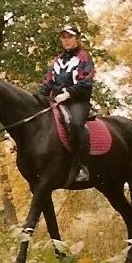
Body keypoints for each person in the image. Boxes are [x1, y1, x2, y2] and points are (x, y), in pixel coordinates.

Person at [38, 24, 95, 183]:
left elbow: (87, 83)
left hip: (77, 101)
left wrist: (68, 94)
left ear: (76, 38)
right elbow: (47, 83)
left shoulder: (84, 58)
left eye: (69, 37)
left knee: (76, 124)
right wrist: (36, 99)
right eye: (63, 37)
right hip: (56, 101)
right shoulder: (57, 61)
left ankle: (83, 166)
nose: (66, 40)